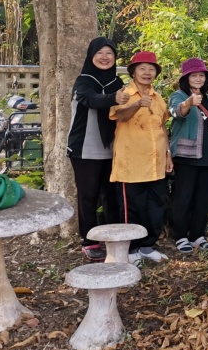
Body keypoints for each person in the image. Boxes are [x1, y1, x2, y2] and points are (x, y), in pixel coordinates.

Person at [67, 37, 128, 261]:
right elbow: (91, 100)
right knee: (88, 196)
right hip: (84, 149)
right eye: (99, 53)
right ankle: (89, 240)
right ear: (91, 56)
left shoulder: (117, 82)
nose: (104, 57)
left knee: (111, 196)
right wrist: (114, 98)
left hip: (112, 149)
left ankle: (113, 236)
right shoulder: (83, 81)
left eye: (109, 53)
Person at [109, 51, 172, 264]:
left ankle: (147, 247)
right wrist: (137, 104)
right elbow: (120, 116)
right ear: (133, 72)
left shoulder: (158, 98)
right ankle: (131, 250)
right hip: (131, 163)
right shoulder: (124, 94)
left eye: (151, 69)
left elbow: (162, 127)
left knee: (156, 206)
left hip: (155, 163)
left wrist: (168, 154)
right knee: (132, 209)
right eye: (142, 68)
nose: (147, 72)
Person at [169, 58, 208, 254]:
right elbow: (176, 112)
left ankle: (197, 235)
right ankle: (180, 235)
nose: (199, 79)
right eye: (194, 75)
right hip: (186, 155)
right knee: (183, 196)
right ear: (186, 78)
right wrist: (189, 103)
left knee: (203, 197)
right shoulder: (178, 95)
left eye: (202, 75)